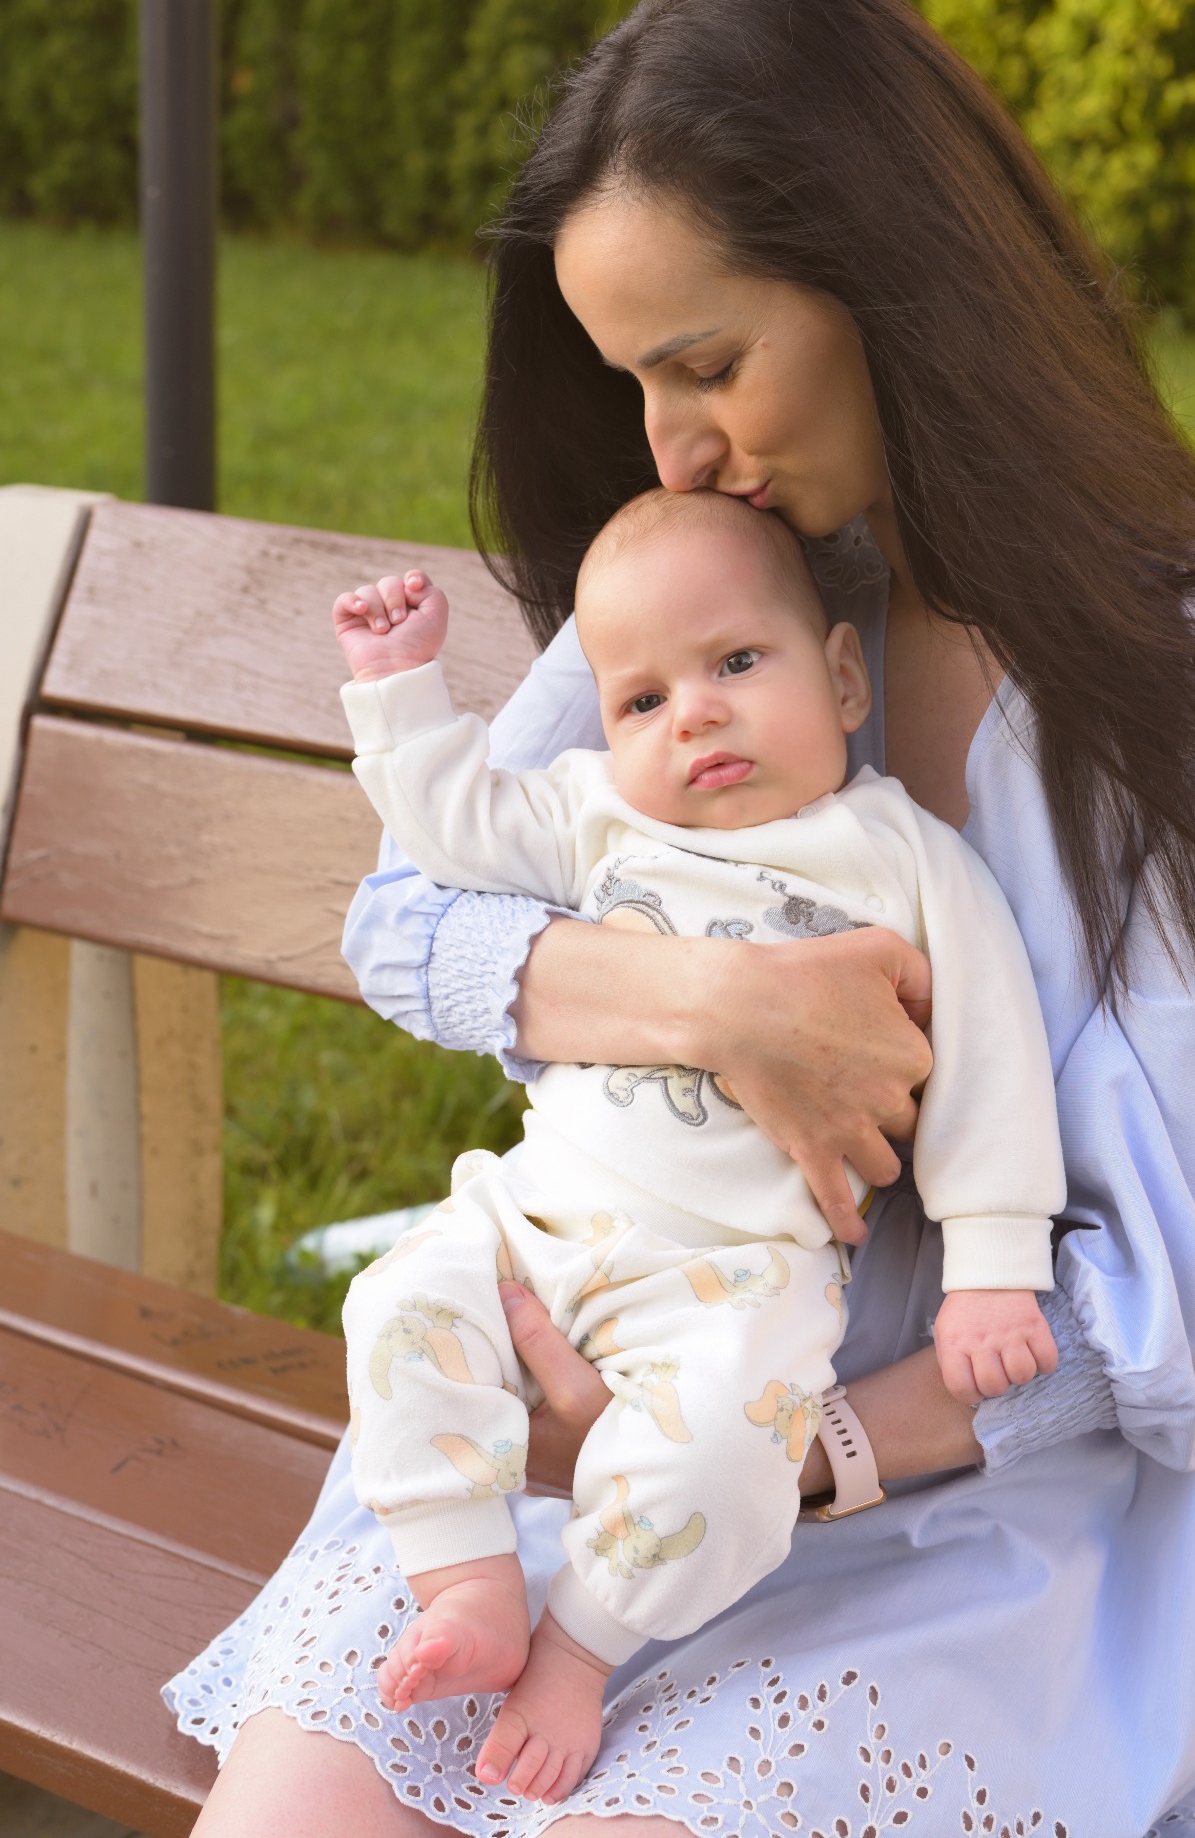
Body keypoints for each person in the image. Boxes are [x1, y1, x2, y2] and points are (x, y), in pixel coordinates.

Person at [168, 0, 1195, 1838]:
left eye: (707, 365)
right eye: (637, 381)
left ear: (899, 286)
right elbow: (409, 914)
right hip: (593, 1419)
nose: (675, 449)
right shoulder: (740, 585)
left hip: (964, 1530)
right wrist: (723, 1012)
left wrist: (776, 1450)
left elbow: (1179, 1312)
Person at [331, 485, 1066, 1804]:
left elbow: (993, 1060)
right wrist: (400, 693)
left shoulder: (902, 858)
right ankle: (465, 1579)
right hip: (535, 1214)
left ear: (842, 679)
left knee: (728, 1450)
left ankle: (578, 1648)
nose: (696, 716)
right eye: (642, 700)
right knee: (397, 1308)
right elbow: (452, 836)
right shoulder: (597, 814)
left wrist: (994, 1268)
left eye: (735, 663)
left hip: (739, 1276)